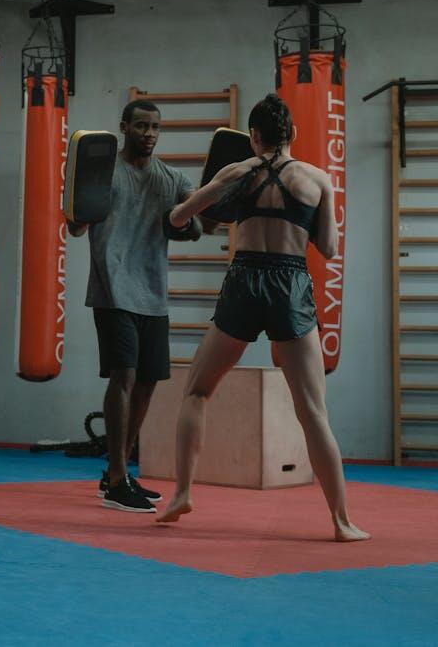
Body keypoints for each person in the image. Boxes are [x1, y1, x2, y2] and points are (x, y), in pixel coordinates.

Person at [156, 93, 369, 542]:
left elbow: (178, 217)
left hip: (244, 280)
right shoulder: (317, 180)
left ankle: (181, 494)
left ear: (253, 137)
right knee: (313, 411)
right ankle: (342, 521)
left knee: (197, 390)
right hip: (289, 284)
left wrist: (215, 202)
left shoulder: (235, 174)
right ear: (292, 134)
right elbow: (329, 249)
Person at [68, 99, 211, 513]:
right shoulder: (104, 172)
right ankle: (116, 479)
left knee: (148, 380)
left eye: (155, 128)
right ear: (125, 127)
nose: (149, 133)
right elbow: (75, 225)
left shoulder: (170, 178)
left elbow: (197, 227)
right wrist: (77, 206)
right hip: (113, 290)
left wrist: (183, 219)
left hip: (153, 294)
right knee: (124, 376)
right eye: (141, 126)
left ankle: (119, 472)